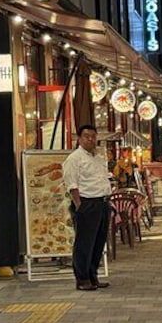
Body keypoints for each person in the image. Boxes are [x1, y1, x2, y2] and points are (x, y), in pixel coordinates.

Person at [63, 124, 112, 291]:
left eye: (93, 136)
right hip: (86, 203)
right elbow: (71, 184)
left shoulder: (99, 157)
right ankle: (82, 278)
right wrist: (79, 205)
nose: (90, 139)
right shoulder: (74, 158)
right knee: (84, 243)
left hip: (102, 203)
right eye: (86, 136)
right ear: (80, 138)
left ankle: (93, 275)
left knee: (98, 242)